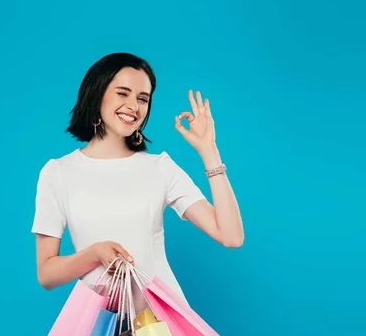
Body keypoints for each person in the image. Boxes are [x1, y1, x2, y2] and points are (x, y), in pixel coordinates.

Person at [30, 52, 244, 307]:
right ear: (97, 94)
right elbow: (46, 274)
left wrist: (209, 151)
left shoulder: (159, 168)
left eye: (142, 98)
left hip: (162, 326)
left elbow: (231, 236)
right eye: (123, 93)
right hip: (102, 326)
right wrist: (94, 253)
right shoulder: (58, 172)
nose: (134, 106)